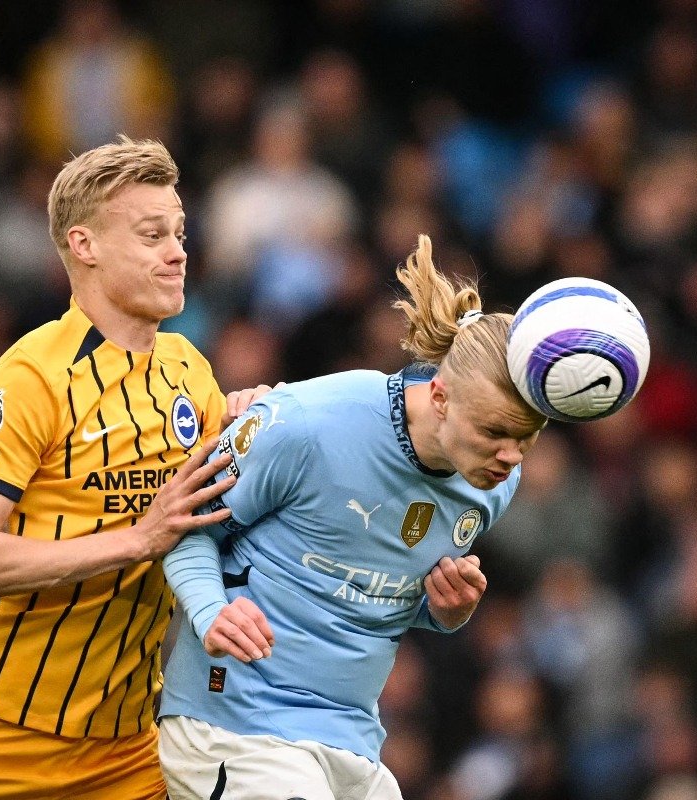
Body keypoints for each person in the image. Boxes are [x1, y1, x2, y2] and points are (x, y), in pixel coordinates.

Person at [0, 136, 269, 799]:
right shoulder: (30, 376)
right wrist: (139, 540)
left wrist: (259, 430)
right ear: (85, 246)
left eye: (179, 233)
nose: (177, 252)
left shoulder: (189, 371)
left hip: (126, 748)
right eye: (151, 235)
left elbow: (217, 517)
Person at [159, 234, 550, 800]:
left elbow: (362, 588)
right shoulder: (309, 424)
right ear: (438, 397)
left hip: (353, 741)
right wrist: (208, 611)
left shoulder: (494, 481)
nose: (511, 456)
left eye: (525, 437)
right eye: (494, 432)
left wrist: (441, 611)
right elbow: (184, 523)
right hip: (235, 725)